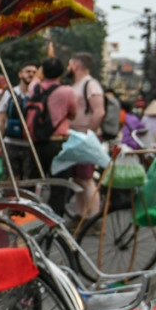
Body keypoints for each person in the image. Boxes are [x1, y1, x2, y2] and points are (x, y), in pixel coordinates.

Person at [24, 57, 76, 217]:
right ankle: (54, 223)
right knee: (58, 186)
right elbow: (73, 114)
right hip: (57, 144)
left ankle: (27, 218)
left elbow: (35, 79)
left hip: (36, 143)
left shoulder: (34, 88)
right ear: (61, 73)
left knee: (32, 183)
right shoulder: (67, 91)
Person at [67, 52, 104, 219]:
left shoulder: (91, 85)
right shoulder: (77, 85)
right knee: (77, 179)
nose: (67, 68)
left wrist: (88, 134)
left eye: (69, 64)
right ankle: (80, 215)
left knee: (87, 179)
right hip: (74, 137)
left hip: (84, 137)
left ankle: (94, 218)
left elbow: (99, 112)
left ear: (75, 66)